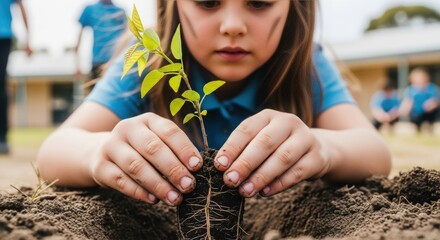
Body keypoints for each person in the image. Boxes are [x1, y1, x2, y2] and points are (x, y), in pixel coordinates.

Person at [37, 0, 391, 207]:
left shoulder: (306, 66)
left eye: (259, 2)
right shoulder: (150, 62)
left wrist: (324, 146)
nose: (233, 25)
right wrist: (99, 151)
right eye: (208, 1)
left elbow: (375, 152)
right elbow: (54, 152)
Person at [0, 0, 32, 154]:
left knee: (0, 85)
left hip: (3, 36)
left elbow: (21, 6)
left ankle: (2, 138)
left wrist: (28, 38)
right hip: (4, 36)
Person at [75, 0, 126, 88]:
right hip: (97, 63)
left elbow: (126, 38)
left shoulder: (120, 12)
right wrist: (77, 65)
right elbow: (79, 39)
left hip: (116, 63)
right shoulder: (90, 9)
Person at [399, 67, 440, 131]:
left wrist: (433, 103)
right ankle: (417, 127)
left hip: (429, 112)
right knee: (414, 117)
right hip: (416, 113)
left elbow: (437, 100)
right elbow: (406, 102)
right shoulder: (410, 90)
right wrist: (404, 109)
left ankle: (429, 126)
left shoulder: (432, 88)